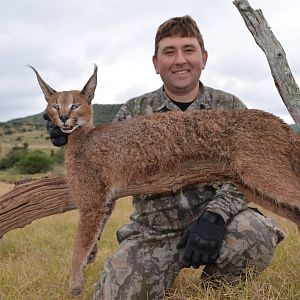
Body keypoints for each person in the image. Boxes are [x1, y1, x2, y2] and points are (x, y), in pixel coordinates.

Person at [45, 16, 284, 300]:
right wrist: (70, 135)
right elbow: (101, 177)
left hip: (215, 224)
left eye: (189, 50)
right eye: (169, 52)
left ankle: (213, 291)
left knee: (254, 233)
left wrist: (216, 215)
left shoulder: (229, 107)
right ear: (156, 63)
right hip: (153, 231)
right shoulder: (134, 111)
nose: (180, 60)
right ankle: (158, 274)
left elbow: (249, 170)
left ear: (203, 58)